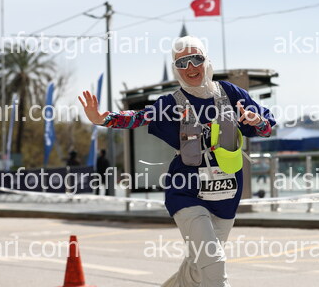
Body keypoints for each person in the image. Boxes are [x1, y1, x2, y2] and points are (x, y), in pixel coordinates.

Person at [79, 36, 275, 287]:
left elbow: (266, 128)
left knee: (197, 269)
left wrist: (256, 121)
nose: (190, 67)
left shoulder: (230, 93)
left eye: (196, 59)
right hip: (186, 193)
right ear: (175, 68)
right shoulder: (172, 103)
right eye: (182, 62)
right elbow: (140, 117)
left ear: (207, 60)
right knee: (213, 262)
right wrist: (104, 119)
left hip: (226, 195)